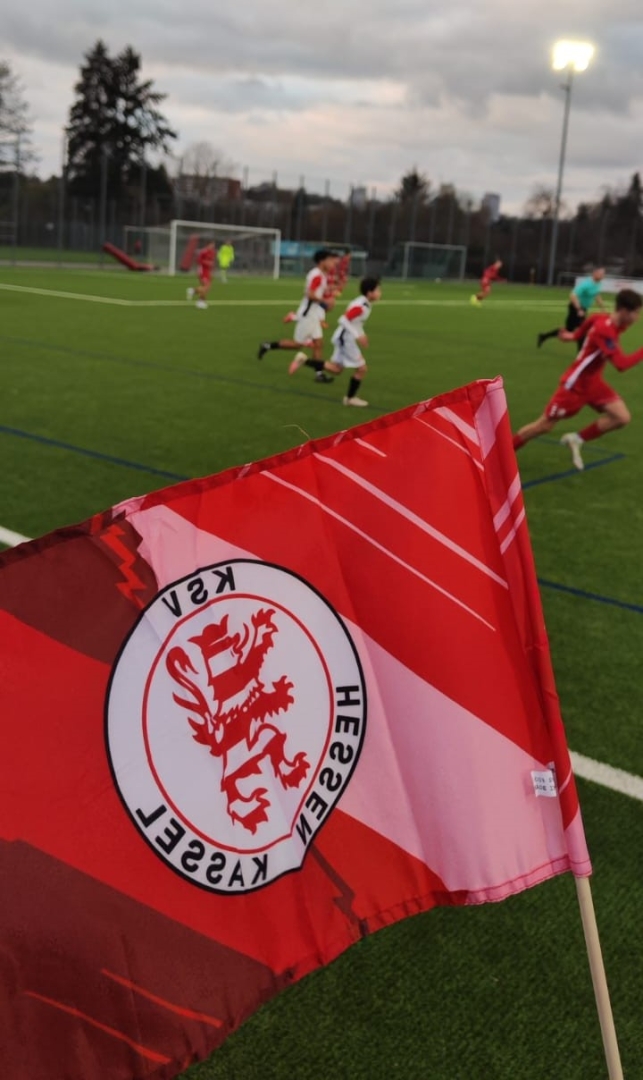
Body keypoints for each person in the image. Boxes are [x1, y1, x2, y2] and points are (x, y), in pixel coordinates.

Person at [512, 289, 643, 471]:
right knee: (543, 426)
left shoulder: (603, 319)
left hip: (593, 382)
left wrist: (572, 336)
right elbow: (621, 364)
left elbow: (589, 322)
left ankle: (576, 439)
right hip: (575, 385)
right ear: (624, 311)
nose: (638, 317)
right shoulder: (605, 330)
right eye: (636, 313)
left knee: (621, 417)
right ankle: (501, 452)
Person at [288, 277, 382, 407]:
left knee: (336, 369)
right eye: (378, 290)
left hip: (344, 338)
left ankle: (303, 360)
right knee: (362, 369)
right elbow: (343, 319)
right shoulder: (362, 306)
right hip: (345, 340)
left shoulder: (364, 303)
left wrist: (361, 334)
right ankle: (350, 398)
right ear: (369, 292)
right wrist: (358, 336)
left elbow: (355, 323)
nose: (380, 293)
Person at [258, 249, 339, 383]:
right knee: (297, 345)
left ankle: (319, 374)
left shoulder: (320, 275)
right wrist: (325, 301)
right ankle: (267, 345)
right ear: (322, 261)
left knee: (318, 344)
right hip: (308, 315)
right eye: (330, 260)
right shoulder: (317, 275)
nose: (332, 263)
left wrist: (328, 297)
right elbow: (310, 294)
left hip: (313, 315)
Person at [537, 267, 606, 348]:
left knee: (569, 330)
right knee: (583, 330)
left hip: (583, 309)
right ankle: (581, 353)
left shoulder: (598, 283)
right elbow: (573, 295)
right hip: (575, 308)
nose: (602, 276)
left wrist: (602, 307)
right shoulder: (586, 284)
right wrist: (579, 309)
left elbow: (596, 294)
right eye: (601, 274)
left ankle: (543, 336)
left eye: (603, 274)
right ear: (594, 273)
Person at [187, 241, 215, 309]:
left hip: (207, 271)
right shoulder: (203, 251)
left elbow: (211, 262)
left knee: (207, 287)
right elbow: (198, 260)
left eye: (213, 245)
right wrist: (206, 262)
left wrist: (211, 270)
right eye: (211, 245)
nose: (212, 246)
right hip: (202, 271)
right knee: (205, 286)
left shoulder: (212, 252)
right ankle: (200, 301)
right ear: (207, 245)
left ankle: (193, 291)